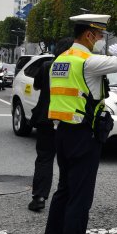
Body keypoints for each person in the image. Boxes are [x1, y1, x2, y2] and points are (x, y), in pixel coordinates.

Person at [40, 14, 117, 234]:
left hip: (62, 133)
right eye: (98, 36)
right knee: (80, 198)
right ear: (88, 35)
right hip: (84, 136)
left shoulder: (60, 60)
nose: (99, 41)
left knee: (64, 190)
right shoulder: (88, 61)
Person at [28, 37, 74, 212]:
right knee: (69, 160)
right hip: (69, 119)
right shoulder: (79, 67)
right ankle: (68, 197)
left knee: (45, 158)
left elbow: (37, 85)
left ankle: (39, 197)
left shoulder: (48, 65)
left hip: (46, 118)